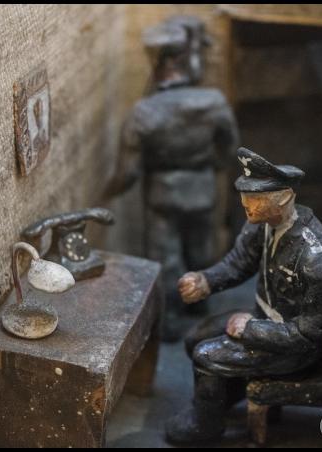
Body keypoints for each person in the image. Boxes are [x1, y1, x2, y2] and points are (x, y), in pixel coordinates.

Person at [165, 147, 322, 443]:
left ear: (283, 198)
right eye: (245, 197)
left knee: (205, 354)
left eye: (255, 199)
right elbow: (239, 262)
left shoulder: (315, 257)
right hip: (265, 319)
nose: (246, 205)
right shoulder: (263, 224)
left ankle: (205, 424)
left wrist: (251, 330)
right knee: (196, 337)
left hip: (296, 349)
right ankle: (223, 396)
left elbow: (307, 335)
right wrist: (206, 281)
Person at [107, 16, 239, 341]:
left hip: (162, 193)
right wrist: (208, 166)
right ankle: (200, 308)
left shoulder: (144, 112)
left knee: (164, 259)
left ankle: (168, 322)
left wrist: (105, 193)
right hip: (202, 188)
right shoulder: (214, 102)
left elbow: (128, 173)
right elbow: (229, 149)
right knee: (201, 250)